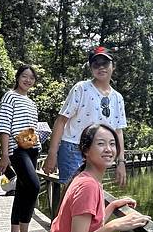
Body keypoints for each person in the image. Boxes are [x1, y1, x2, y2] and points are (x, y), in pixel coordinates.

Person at [42, 46, 127, 185]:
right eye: (96, 64)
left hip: (99, 152)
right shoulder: (81, 88)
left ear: (113, 66)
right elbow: (61, 120)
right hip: (73, 149)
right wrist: (52, 153)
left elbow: (118, 131)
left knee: (92, 193)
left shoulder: (118, 98)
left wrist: (121, 161)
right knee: (73, 195)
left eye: (105, 63)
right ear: (91, 67)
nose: (101, 67)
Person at [0, 65, 41, 232]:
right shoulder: (10, 96)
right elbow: (4, 126)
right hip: (17, 150)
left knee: (22, 190)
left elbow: (32, 128)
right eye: (24, 76)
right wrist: (5, 154)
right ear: (17, 77)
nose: (28, 80)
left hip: (32, 149)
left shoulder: (31, 103)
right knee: (34, 185)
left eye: (31, 78)